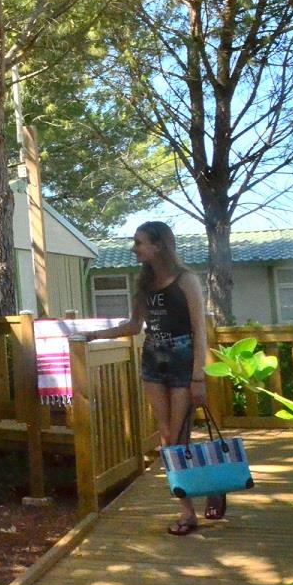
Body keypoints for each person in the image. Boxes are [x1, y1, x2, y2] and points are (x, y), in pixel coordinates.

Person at [94, 222, 218, 534]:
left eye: (139, 242)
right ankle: (188, 509)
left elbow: (199, 330)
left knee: (177, 439)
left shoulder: (186, 280)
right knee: (167, 438)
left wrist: (198, 376)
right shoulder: (144, 283)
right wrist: (93, 335)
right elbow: (134, 326)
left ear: (158, 245)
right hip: (153, 361)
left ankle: (203, 492)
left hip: (182, 362)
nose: (134, 248)